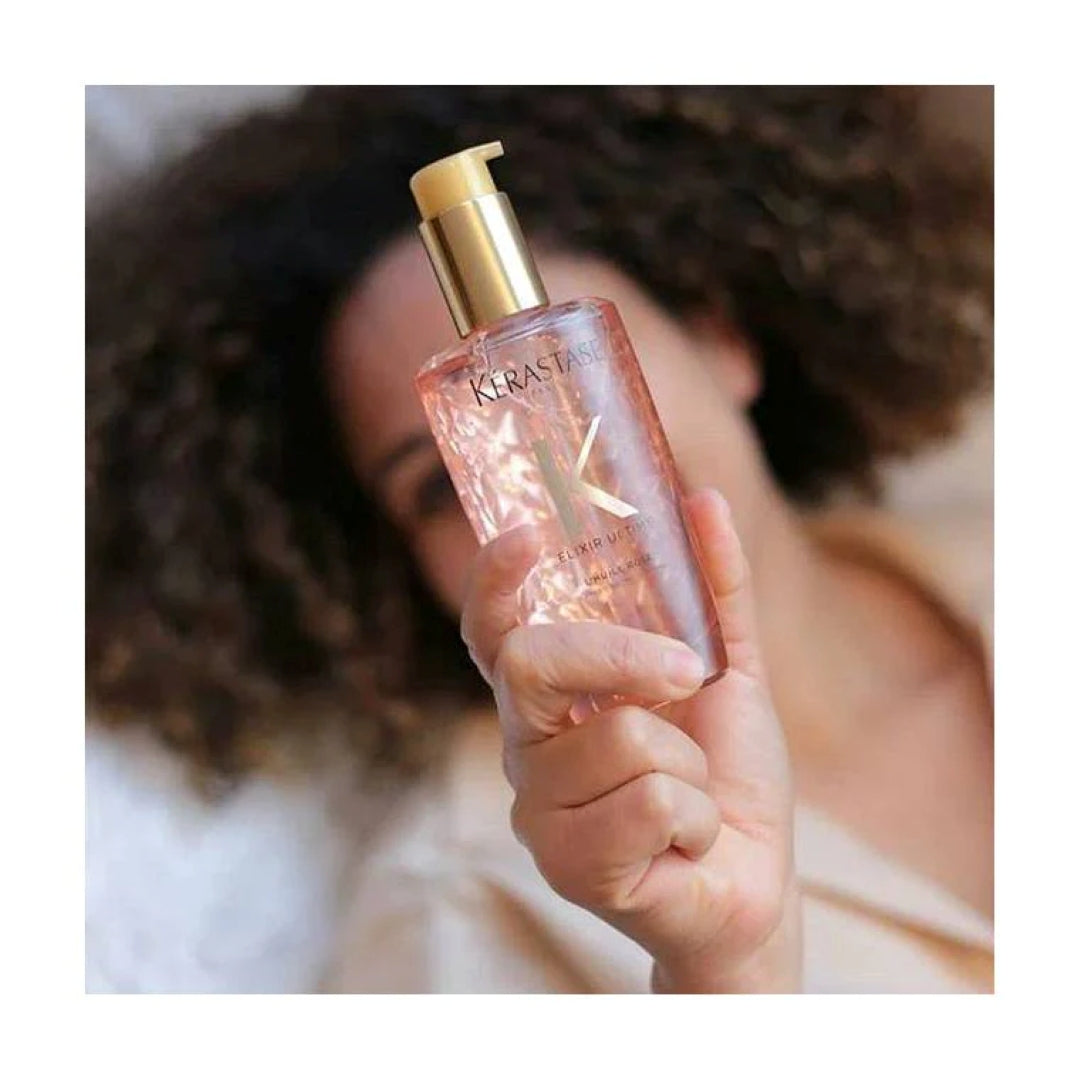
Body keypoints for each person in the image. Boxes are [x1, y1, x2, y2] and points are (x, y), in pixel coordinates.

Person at [86, 86, 993, 992]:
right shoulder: (455, 911)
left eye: (578, 390)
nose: (544, 486)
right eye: (438, 485)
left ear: (719, 337)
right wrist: (726, 969)